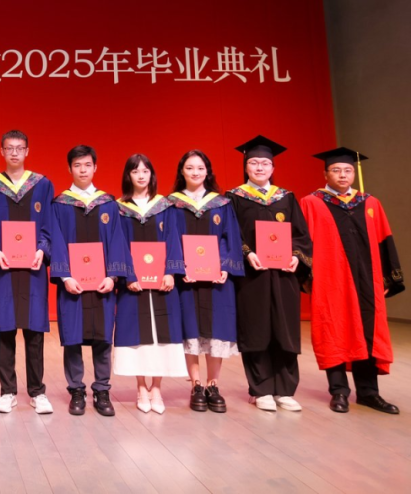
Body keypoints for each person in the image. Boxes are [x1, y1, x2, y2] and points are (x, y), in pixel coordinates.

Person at [300, 147, 404, 415]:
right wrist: (306, 277)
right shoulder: (311, 202)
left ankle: (369, 393)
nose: (342, 175)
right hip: (330, 281)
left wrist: (388, 278)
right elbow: (302, 242)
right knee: (333, 330)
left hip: (367, 281)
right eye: (336, 170)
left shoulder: (370, 203)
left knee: (367, 332)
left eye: (347, 170)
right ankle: (339, 392)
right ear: (325, 173)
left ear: (354, 173)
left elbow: (385, 240)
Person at [227, 136, 312, 413]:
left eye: (265, 163)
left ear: (273, 168)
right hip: (253, 275)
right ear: (246, 167)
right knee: (256, 329)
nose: (260, 168)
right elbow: (230, 234)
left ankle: (285, 390)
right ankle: (261, 389)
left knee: (285, 330)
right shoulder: (234, 197)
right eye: (254, 163)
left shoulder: (285, 197)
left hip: (284, 274)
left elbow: (301, 235)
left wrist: (296, 256)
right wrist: (246, 253)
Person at [0, 130, 55, 415]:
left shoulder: (42, 185)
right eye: (9, 148)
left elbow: (48, 222)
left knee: (35, 330)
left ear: (27, 151)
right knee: (6, 328)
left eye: (19, 148)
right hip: (3, 266)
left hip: (33, 266)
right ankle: (7, 391)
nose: (14, 153)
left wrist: (42, 249)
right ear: (1, 151)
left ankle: (37, 392)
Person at [49, 145, 125, 416]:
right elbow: (56, 240)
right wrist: (65, 276)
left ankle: (102, 390)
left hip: (103, 283)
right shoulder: (59, 205)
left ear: (95, 168)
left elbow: (117, 240)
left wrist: (113, 276)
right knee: (72, 337)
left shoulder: (108, 204)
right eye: (77, 165)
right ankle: (76, 390)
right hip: (72, 284)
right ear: (69, 168)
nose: (83, 170)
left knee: (103, 337)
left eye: (87, 165)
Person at [167, 150, 245, 413]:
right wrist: (180, 267)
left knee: (216, 330)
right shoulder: (172, 204)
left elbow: (229, 238)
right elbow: (170, 241)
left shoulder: (221, 204)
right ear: (182, 171)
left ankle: (213, 384)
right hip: (186, 279)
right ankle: (196, 385)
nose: (195, 172)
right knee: (190, 328)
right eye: (190, 168)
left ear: (208, 171)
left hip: (216, 279)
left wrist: (224, 266)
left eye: (200, 168)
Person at [114, 154, 187, 414]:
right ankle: (140, 387)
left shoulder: (165, 206)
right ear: (128, 176)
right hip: (133, 284)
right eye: (135, 171)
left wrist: (171, 272)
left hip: (162, 283)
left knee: (159, 334)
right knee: (137, 335)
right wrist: (128, 276)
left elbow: (173, 240)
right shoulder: (119, 208)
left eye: (145, 171)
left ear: (152, 175)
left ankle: (156, 387)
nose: (141, 176)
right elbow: (118, 244)